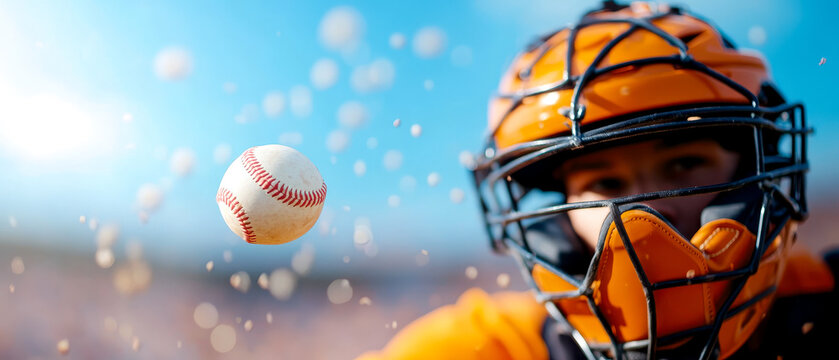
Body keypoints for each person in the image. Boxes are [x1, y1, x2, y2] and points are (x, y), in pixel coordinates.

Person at [358, 2, 838, 359]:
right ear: (558, 229)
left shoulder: (822, 297)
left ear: (752, 179)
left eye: (684, 165)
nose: (645, 210)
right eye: (605, 183)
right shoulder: (482, 348)